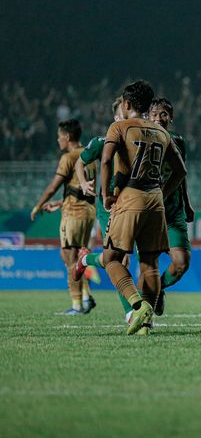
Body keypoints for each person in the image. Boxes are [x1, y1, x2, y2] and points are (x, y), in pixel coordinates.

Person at [100, 80, 187, 335]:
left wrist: (106, 195)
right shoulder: (162, 134)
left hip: (130, 198)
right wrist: (162, 192)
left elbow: (106, 161)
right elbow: (181, 171)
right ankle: (145, 325)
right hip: (155, 202)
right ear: (148, 106)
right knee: (150, 264)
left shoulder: (119, 127)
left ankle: (138, 305)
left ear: (126, 104)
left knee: (111, 258)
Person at [73, 97, 134, 319]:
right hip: (109, 206)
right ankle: (131, 312)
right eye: (124, 114)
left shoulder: (137, 139)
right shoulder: (103, 141)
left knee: (123, 258)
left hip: (132, 205)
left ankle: (85, 260)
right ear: (116, 117)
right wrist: (83, 182)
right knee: (119, 259)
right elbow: (81, 162)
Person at [30, 119, 97, 314]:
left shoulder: (68, 158)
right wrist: (60, 203)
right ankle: (85, 296)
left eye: (59, 137)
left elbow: (53, 187)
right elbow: (82, 189)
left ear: (67, 137)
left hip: (74, 213)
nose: (58, 141)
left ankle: (77, 305)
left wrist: (38, 206)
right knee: (78, 255)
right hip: (88, 211)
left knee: (69, 258)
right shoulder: (90, 155)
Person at [147, 97, 195, 317]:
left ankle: (159, 288)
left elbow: (181, 174)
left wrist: (187, 203)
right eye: (155, 114)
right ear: (147, 117)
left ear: (171, 118)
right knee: (148, 265)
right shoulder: (140, 139)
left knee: (181, 263)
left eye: (164, 114)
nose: (159, 118)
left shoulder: (178, 141)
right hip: (148, 213)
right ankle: (142, 314)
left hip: (174, 212)